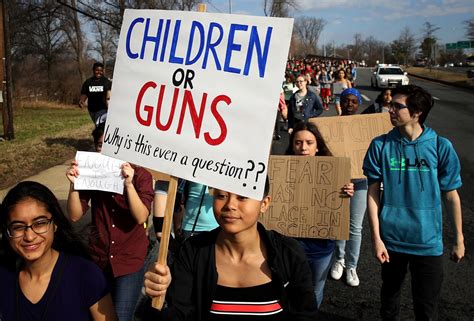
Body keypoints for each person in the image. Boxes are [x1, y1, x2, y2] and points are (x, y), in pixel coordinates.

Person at [143, 178, 318, 320]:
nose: (230, 205)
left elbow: (305, 314)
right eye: (221, 196)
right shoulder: (193, 251)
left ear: (264, 203)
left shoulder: (288, 252)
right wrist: (158, 297)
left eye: (242, 196)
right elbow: (180, 314)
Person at [363, 85, 465, 320]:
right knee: (389, 303)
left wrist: (459, 239)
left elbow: (451, 195)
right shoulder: (380, 145)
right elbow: (372, 194)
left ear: (417, 112)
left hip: (428, 242)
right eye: (390, 105)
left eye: (397, 106)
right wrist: (376, 239)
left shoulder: (441, 146)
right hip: (391, 241)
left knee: (426, 308)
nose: (390, 110)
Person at [66, 122, 155, 321]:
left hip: (129, 260)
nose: (105, 151)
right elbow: (74, 215)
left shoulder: (141, 175)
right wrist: (74, 186)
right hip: (99, 257)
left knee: (121, 316)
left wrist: (129, 185)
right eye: (100, 145)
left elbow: (141, 216)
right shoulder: (93, 173)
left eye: (112, 145)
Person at [0, 181, 117, 321]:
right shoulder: (4, 275)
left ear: (55, 224)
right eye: (18, 227)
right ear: (7, 231)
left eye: (40, 223)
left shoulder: (86, 274)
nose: (29, 236)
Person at [285, 121, 354, 307]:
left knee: (315, 289)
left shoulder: (333, 174)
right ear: (292, 146)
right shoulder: (279, 173)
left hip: (320, 248)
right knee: (287, 289)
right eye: (298, 143)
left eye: (309, 143)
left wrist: (346, 191)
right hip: (288, 247)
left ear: (317, 148)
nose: (303, 148)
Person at [330, 88, 368, 287]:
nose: (350, 105)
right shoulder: (332, 126)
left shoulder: (365, 128)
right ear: (341, 103)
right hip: (338, 179)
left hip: (360, 182)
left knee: (355, 226)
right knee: (339, 223)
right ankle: (339, 259)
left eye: (354, 102)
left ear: (358, 104)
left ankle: (352, 266)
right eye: (346, 101)